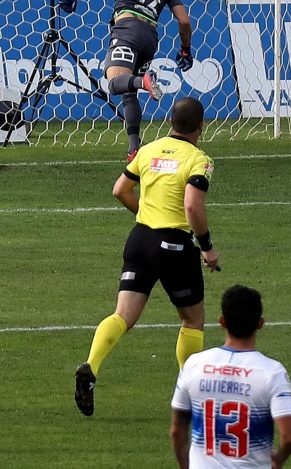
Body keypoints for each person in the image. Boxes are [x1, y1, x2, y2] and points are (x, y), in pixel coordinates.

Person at [74, 96, 219, 417]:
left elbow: (119, 190)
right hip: (175, 246)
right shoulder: (199, 160)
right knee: (192, 319)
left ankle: (91, 366)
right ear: (201, 127)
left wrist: (146, 213)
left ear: (170, 121)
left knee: (123, 315)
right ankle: (189, 392)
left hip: (140, 240)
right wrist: (207, 247)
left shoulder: (148, 150)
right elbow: (192, 206)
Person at [59, 0, 194, 161]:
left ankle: (145, 81)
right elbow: (184, 22)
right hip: (150, 38)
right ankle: (134, 148)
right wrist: (185, 49)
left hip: (127, 28)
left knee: (114, 83)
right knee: (128, 93)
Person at [170, 285, 291, 468]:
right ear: (260, 324)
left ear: (222, 321)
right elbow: (289, 437)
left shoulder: (194, 365)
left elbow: (177, 430)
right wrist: (278, 458)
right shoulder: (271, 373)